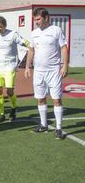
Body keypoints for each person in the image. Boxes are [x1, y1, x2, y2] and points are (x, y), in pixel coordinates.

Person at [25, 8, 68, 139]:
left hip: (54, 71)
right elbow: (31, 50)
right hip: (38, 71)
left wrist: (65, 65)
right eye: (35, 19)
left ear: (46, 17)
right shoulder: (34, 33)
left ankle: (59, 128)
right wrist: (27, 66)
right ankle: (43, 124)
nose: (36, 22)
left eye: (38, 19)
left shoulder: (56, 30)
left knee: (56, 99)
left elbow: (64, 48)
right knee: (40, 98)